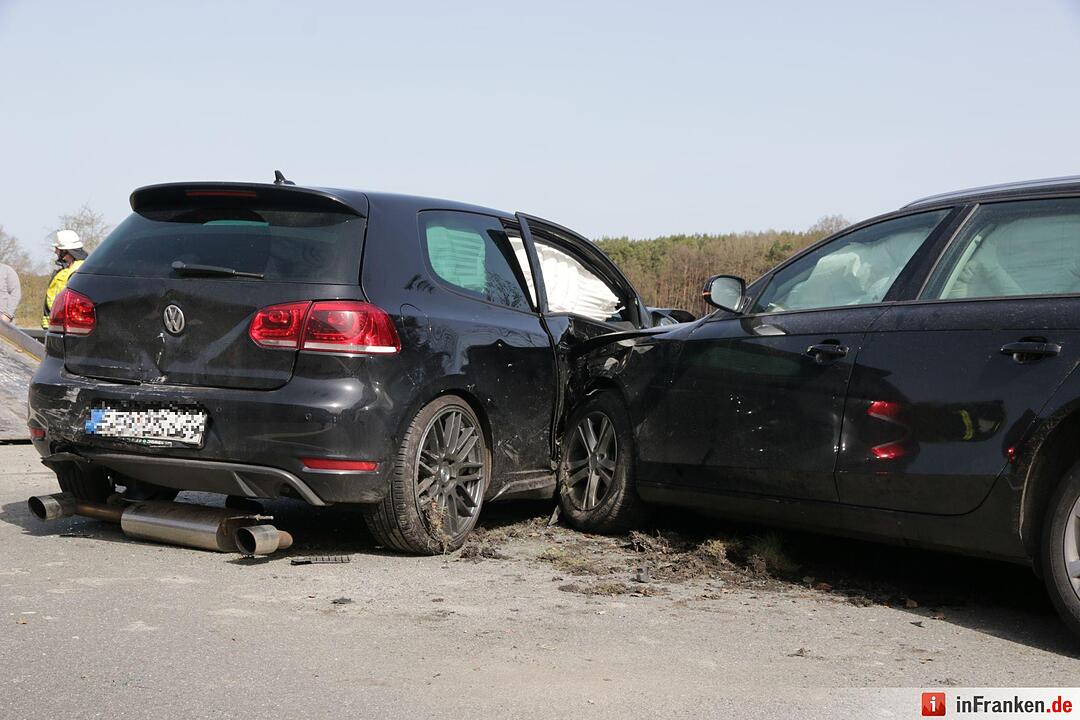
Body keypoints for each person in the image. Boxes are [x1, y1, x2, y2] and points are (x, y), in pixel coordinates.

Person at [41, 230, 88, 329]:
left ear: (65, 250)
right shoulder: (66, 270)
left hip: (67, 327)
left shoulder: (80, 270)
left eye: (57, 249)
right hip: (56, 325)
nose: (55, 251)